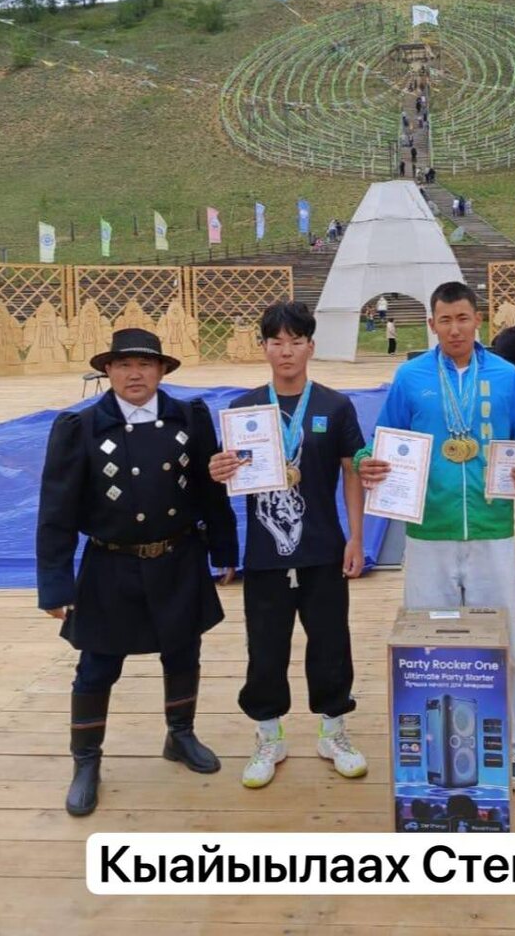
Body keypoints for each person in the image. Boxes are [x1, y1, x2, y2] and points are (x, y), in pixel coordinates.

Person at [36, 328, 239, 818]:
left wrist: (224, 550)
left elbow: (210, 490)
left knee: (184, 651)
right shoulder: (80, 427)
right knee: (97, 667)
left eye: (145, 364)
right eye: (124, 364)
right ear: (107, 370)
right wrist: (55, 585)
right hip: (111, 565)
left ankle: (180, 735)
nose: (134, 374)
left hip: (178, 558)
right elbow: (56, 511)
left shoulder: (189, 418)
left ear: (162, 371)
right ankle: (86, 761)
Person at [355, 282, 515, 789]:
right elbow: (381, 441)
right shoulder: (411, 376)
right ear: (432, 325)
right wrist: (365, 461)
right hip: (428, 533)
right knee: (425, 645)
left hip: (491, 530)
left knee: (504, 642)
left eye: (463, 318)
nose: (455, 329)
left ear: (477, 319)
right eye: (445, 320)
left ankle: (511, 747)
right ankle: (430, 748)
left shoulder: (505, 375)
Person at [209, 302, 368, 788]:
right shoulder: (244, 410)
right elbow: (226, 478)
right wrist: (218, 470)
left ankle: (333, 732)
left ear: (311, 347)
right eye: (276, 341)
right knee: (265, 647)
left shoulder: (335, 406)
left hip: (323, 548)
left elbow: (352, 471)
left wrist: (356, 537)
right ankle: (268, 735)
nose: (286, 351)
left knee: (331, 643)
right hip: (264, 555)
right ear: (263, 348)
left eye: (296, 341)